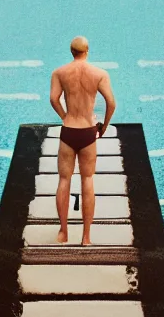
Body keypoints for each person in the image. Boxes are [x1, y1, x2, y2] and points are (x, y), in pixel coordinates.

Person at [49, 36, 116, 246]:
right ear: (87, 51)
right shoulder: (99, 74)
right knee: (87, 180)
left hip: (69, 129)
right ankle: (86, 237)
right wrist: (104, 125)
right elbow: (111, 103)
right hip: (88, 131)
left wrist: (64, 116)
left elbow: (53, 99)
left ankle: (63, 232)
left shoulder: (59, 72)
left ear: (71, 52)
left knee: (64, 180)